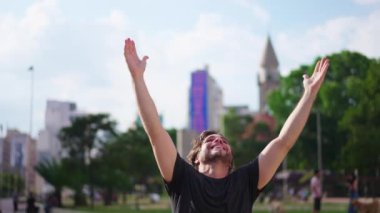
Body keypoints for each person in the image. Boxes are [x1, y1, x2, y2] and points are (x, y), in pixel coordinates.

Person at [123, 38, 330, 212]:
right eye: (209, 140)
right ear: (195, 158)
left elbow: (284, 142)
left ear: (231, 160)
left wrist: (309, 94)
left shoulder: (246, 182)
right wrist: (137, 79)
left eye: (222, 140)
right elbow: (156, 132)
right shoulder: (182, 179)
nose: (218, 139)